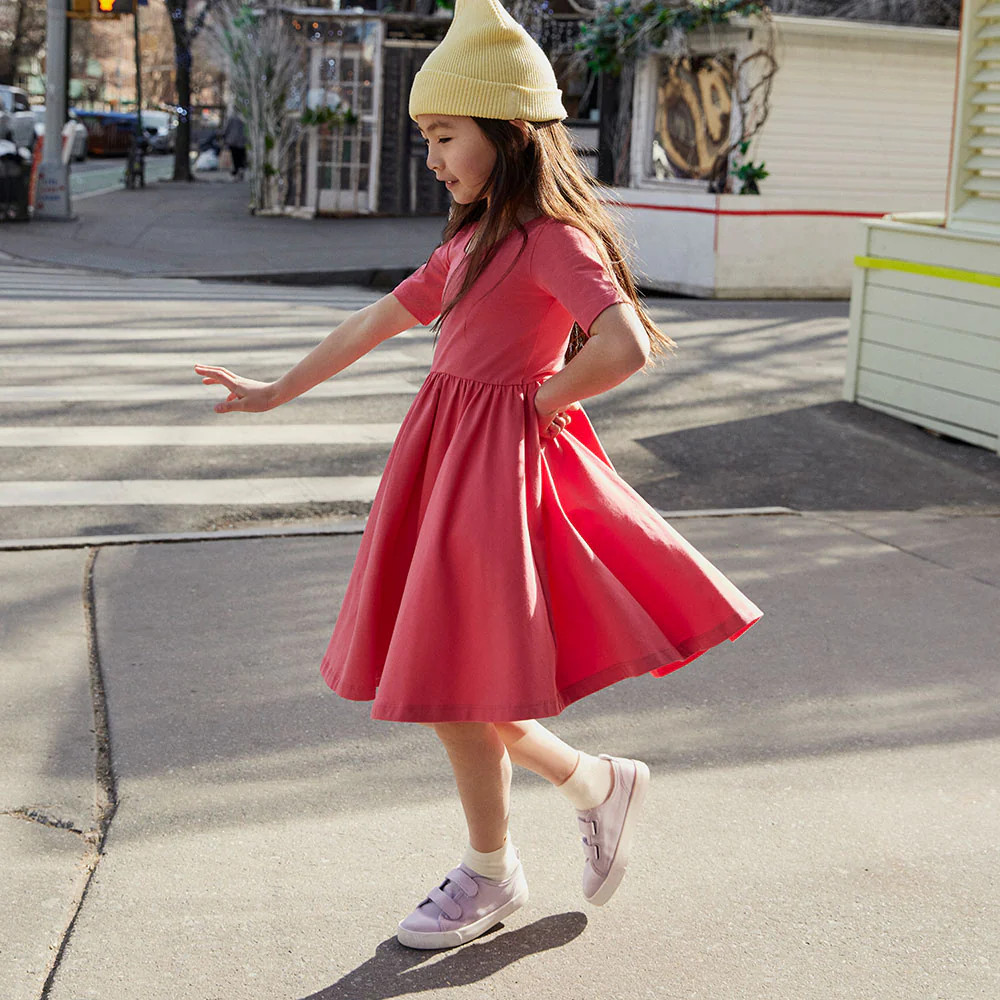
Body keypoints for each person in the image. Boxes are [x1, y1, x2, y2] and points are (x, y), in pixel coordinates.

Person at [194, 0, 761, 952]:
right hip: (446, 467)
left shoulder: (548, 238)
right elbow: (376, 321)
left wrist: (541, 401)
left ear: (508, 131)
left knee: (452, 679)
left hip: (490, 479)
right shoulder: (471, 241)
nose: (432, 156)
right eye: (425, 137)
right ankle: (587, 788)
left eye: (445, 135)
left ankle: (496, 868)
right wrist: (276, 390)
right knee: (452, 678)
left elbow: (624, 343)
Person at [221, 110, 246, 180]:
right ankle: (240, 169)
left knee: (235, 157)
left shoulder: (231, 118)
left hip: (233, 141)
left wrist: (224, 136)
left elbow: (226, 128)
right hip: (242, 141)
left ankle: (236, 171)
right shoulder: (243, 119)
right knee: (241, 157)